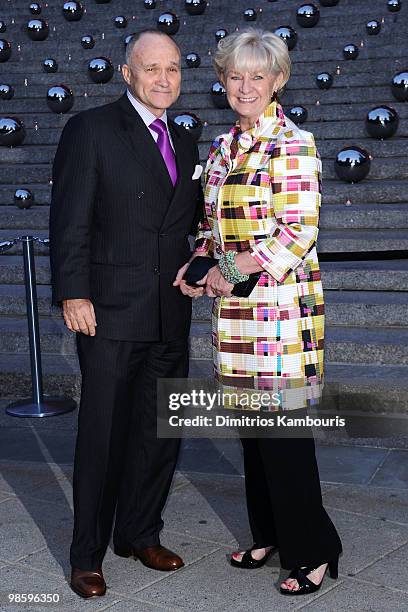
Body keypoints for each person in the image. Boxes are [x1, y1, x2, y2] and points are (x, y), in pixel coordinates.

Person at [174, 28, 343, 596]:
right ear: (223, 81)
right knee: (253, 434)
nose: (246, 86)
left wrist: (232, 271)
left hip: (278, 314)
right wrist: (198, 266)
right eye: (236, 76)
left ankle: (316, 550)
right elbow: (212, 227)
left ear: (278, 81)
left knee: (286, 437)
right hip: (235, 317)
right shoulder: (225, 148)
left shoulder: (292, 143)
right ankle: (270, 533)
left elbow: (298, 234)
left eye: (258, 76)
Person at [49, 29, 203, 598]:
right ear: (127, 74)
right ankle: (86, 554)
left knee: (159, 433)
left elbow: (189, 225)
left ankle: (140, 533)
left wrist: (207, 263)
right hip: (110, 312)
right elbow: (70, 219)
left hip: (171, 309)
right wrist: (73, 292)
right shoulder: (90, 129)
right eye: (152, 68)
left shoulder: (187, 137)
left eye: (173, 69)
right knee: (103, 438)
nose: (164, 79)